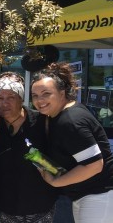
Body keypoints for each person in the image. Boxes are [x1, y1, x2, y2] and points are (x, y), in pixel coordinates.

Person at [30, 62, 113, 223]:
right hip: (86, 195)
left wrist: (56, 181)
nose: (40, 100)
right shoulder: (59, 115)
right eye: (35, 95)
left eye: (46, 93)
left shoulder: (70, 121)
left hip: (99, 195)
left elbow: (95, 165)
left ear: (62, 93)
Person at [0, 72, 57, 223]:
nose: (4, 103)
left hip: (40, 203)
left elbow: (56, 161)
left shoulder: (43, 122)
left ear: (21, 98)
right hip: (6, 204)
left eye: (11, 97)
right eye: (0, 98)